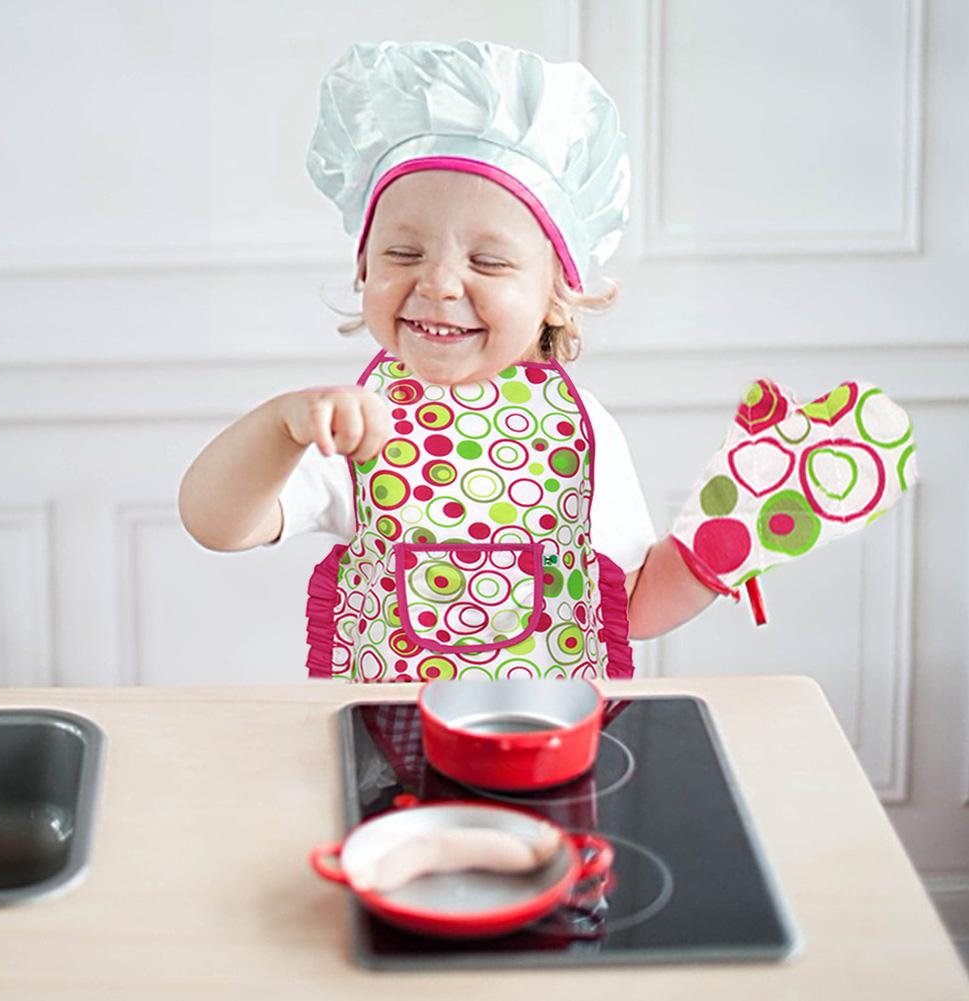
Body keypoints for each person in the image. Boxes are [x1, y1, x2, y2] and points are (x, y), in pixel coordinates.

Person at [179, 40, 916, 683]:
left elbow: (627, 603)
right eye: (402, 252)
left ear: (557, 297)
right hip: (387, 747)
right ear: (362, 268)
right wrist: (284, 425)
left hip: (546, 747)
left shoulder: (578, 433)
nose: (437, 281)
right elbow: (215, 523)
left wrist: (722, 540)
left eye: (489, 259)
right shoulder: (349, 422)